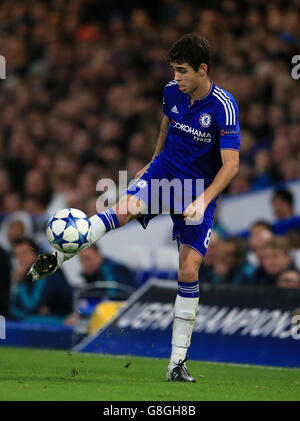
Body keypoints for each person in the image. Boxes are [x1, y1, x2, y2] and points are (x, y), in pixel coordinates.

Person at [28, 33, 240, 382]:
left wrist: (202, 201)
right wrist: (153, 160)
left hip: (196, 189)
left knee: (188, 270)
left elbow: (231, 165)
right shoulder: (172, 91)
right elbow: (167, 122)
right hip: (164, 173)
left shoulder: (223, 106)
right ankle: (59, 257)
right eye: (173, 70)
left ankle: (176, 363)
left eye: (183, 71)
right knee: (122, 209)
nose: (176, 78)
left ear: (203, 70)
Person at [9, 238, 74, 324]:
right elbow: (13, 308)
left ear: (35, 254)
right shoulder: (27, 274)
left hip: (59, 320)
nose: (21, 259)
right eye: (17, 255)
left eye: (24, 254)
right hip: (39, 318)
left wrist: (20, 282)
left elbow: (31, 306)